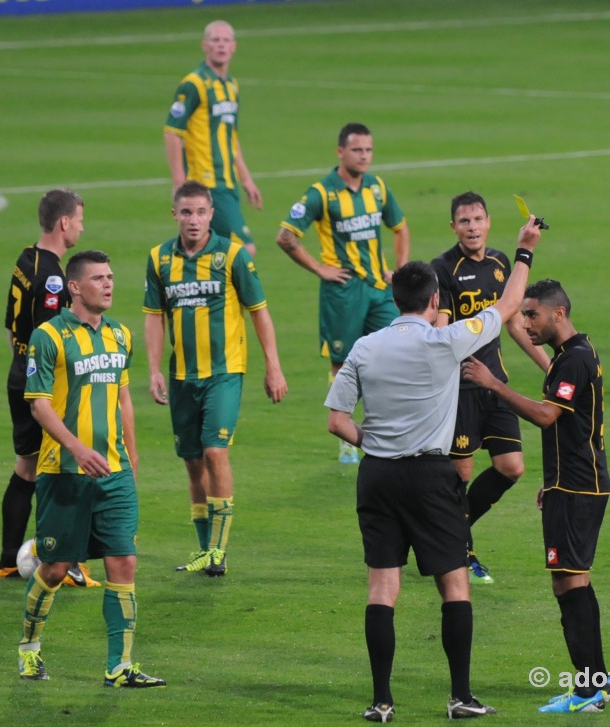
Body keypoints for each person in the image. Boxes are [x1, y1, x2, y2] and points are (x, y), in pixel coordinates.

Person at [325, 214, 542, 722]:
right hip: (430, 475)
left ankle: (381, 701)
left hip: (377, 475)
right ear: (434, 302)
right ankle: (460, 697)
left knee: (382, 587)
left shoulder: (364, 347)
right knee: (454, 584)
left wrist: (373, 443)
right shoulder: (447, 342)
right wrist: (525, 251)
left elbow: (337, 422)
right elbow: (508, 306)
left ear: (396, 300)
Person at [461, 279, 610, 714]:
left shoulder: (573, 361)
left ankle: (587, 693)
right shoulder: (575, 354)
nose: (525, 323)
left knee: (568, 586)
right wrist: (554, 478)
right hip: (575, 482)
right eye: (524, 315)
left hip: (578, 488)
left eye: (532, 315)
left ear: (558, 314)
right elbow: (575, 424)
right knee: (576, 581)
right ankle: (598, 683)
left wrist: (494, 384)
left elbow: (547, 416)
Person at [18, 250, 165, 688]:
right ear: (75, 287)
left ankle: (120, 666)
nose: (109, 284)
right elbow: (40, 406)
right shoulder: (49, 337)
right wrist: (77, 449)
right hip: (64, 470)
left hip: (114, 471)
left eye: (111, 276)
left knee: (124, 562)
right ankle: (29, 650)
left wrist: (132, 455)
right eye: (99, 278)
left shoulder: (120, 334)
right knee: (58, 567)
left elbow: (122, 398)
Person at [144, 181, 287, 577]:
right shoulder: (159, 259)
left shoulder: (232, 256)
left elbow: (259, 311)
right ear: (175, 215)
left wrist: (272, 365)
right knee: (193, 464)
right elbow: (154, 317)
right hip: (181, 376)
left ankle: (218, 552)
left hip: (225, 372)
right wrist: (154, 368)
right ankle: (205, 547)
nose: (194, 220)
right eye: (186, 212)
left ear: (212, 215)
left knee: (215, 452)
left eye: (201, 212)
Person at [432, 192, 550, 586]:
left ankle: (445, 536)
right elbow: (442, 328)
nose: (472, 227)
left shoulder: (502, 263)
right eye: (464, 221)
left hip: (495, 382)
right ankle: (461, 551)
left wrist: (549, 364)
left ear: (489, 221)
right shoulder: (443, 268)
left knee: (511, 467)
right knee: (460, 472)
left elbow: (512, 321)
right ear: (453, 227)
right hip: (462, 385)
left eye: (478, 219)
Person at [277, 122, 410, 464]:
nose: (364, 156)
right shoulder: (321, 193)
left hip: (379, 290)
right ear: (340, 152)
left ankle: (387, 427)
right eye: (357, 150)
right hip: (342, 292)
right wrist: (320, 269)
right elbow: (286, 236)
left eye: (368, 150)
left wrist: (400, 270)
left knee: (395, 350)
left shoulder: (377, 188)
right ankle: (346, 437)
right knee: (343, 363)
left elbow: (400, 227)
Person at [0, 188, 99, 588]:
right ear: (64, 223)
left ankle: (9, 560)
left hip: (18, 373)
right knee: (62, 469)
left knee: (26, 465)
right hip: (43, 385)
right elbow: (52, 337)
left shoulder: (26, 259)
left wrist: (23, 364)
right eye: (79, 220)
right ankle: (65, 562)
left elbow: (12, 327)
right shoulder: (55, 277)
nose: (81, 226)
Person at [164, 20, 261, 256]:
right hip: (205, 182)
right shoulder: (193, 84)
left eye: (226, 40)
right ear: (204, 45)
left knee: (211, 250)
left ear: (234, 46)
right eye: (215, 40)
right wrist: (179, 183)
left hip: (228, 183)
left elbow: (230, 137)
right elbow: (172, 131)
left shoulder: (231, 86)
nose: (221, 45)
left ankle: (199, 290)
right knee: (244, 248)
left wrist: (246, 179)